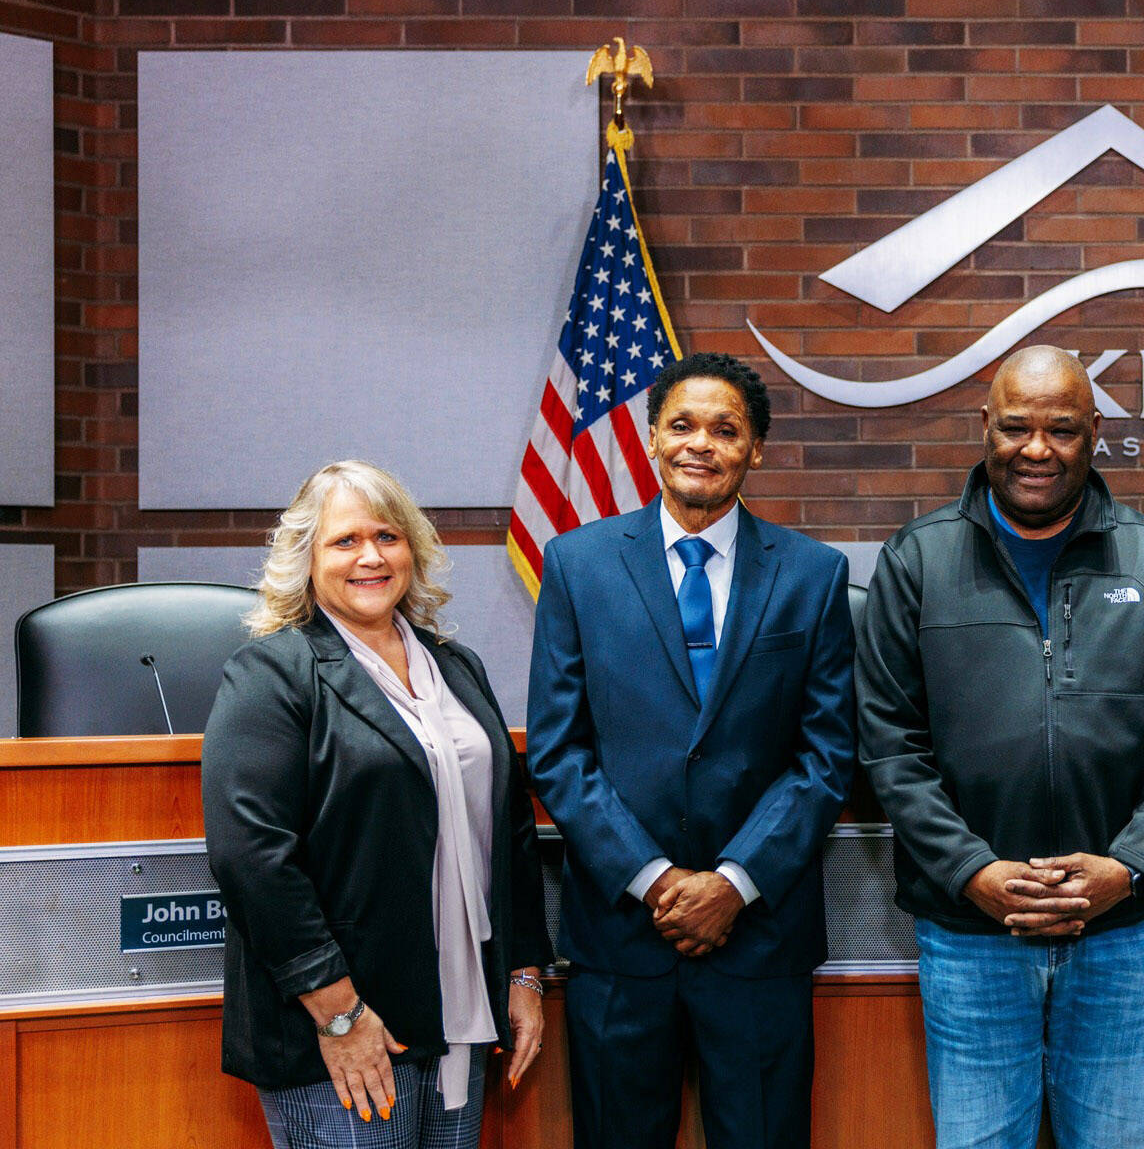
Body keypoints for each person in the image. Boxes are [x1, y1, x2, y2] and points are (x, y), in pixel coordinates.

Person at [856, 344, 1144, 1149]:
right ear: (984, 426)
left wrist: (1129, 868)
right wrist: (972, 872)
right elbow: (890, 745)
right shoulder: (916, 560)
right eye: (1016, 427)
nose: (1036, 449)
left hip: (1123, 933)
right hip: (970, 933)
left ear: (1095, 432)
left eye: (1060, 429)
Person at [526, 352, 856, 1149]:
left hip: (759, 938)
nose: (700, 443)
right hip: (622, 936)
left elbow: (825, 756)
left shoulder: (813, 574)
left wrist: (734, 885)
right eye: (682, 425)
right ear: (651, 439)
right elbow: (559, 750)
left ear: (756, 449)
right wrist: (659, 880)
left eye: (726, 430)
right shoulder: (576, 564)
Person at [202, 460, 549, 1149]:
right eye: (345, 541)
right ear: (305, 560)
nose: (371, 557)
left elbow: (510, 829)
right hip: (342, 1024)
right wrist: (338, 1012)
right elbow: (252, 856)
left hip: (461, 1009)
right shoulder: (271, 673)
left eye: (388, 537)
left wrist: (524, 972)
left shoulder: (456, 666)